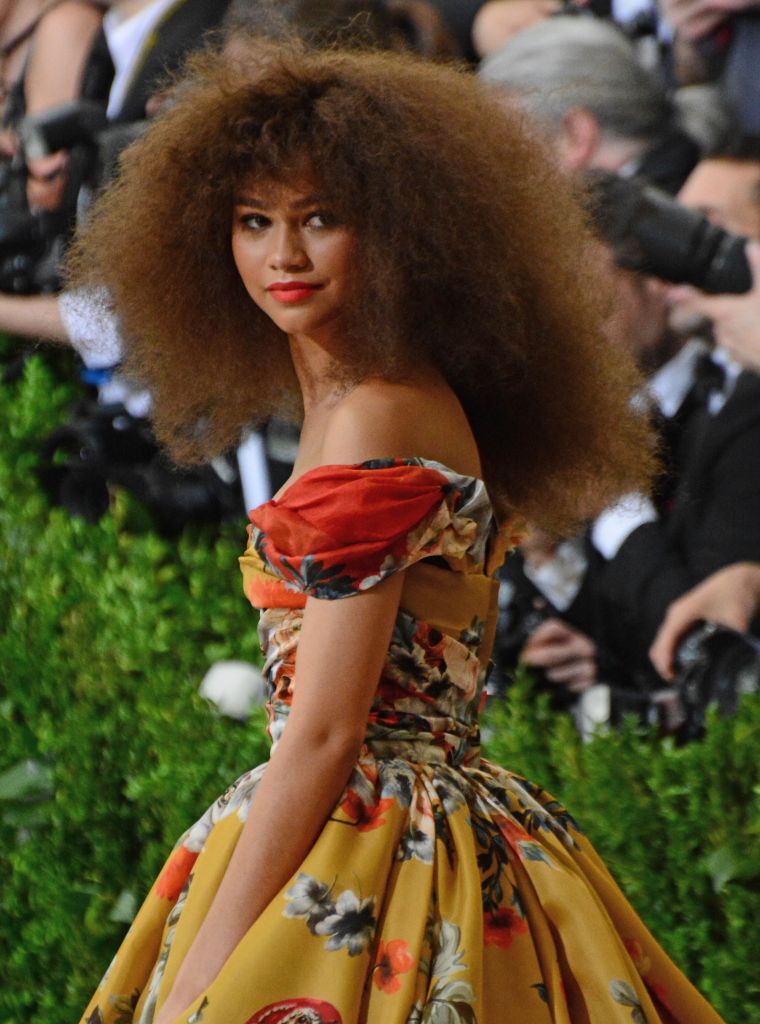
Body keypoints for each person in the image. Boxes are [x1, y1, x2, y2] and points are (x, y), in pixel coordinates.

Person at [69, 41, 721, 1023]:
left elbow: (329, 732)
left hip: (372, 857)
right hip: (412, 835)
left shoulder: (378, 410)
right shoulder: (360, 398)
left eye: (319, 219)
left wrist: (201, 977)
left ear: (407, 234)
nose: (282, 256)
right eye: (253, 222)